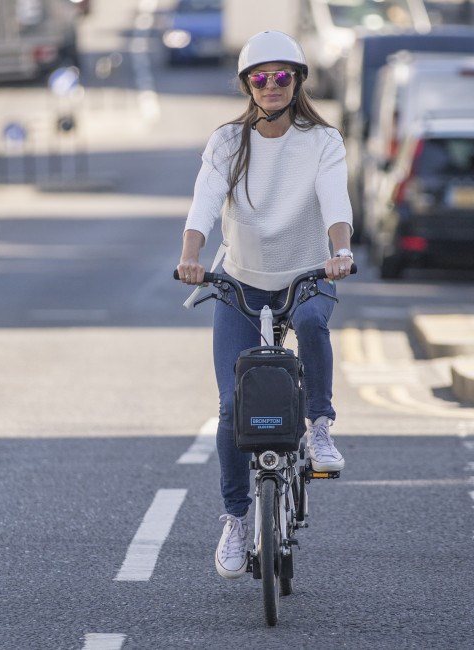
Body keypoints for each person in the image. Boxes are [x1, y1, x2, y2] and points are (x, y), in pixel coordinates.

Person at [176, 30, 354, 580]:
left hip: (307, 273)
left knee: (310, 323)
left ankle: (319, 424)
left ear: (298, 80)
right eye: (260, 77)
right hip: (240, 281)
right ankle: (235, 519)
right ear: (247, 85)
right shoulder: (228, 141)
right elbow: (205, 199)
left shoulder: (322, 141)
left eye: (282, 76)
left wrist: (341, 249)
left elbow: (335, 199)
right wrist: (191, 255)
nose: (271, 85)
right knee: (232, 406)